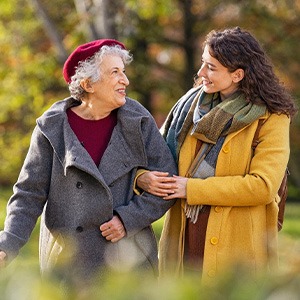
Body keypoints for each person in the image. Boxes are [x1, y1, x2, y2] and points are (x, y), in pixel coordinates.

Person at [0, 39, 177, 286]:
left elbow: (167, 183)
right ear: (87, 84)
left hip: (128, 261)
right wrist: (7, 243)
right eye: (115, 72)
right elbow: (29, 194)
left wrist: (127, 219)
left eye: (123, 72)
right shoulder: (52, 128)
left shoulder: (138, 121)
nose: (125, 80)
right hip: (69, 263)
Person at [136, 27, 298, 284]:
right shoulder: (188, 109)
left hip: (238, 248)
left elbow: (263, 186)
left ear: (237, 75)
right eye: (202, 63)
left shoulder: (272, 118)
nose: (201, 74)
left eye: (211, 67)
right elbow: (151, 157)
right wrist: (143, 178)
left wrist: (192, 189)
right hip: (184, 239)